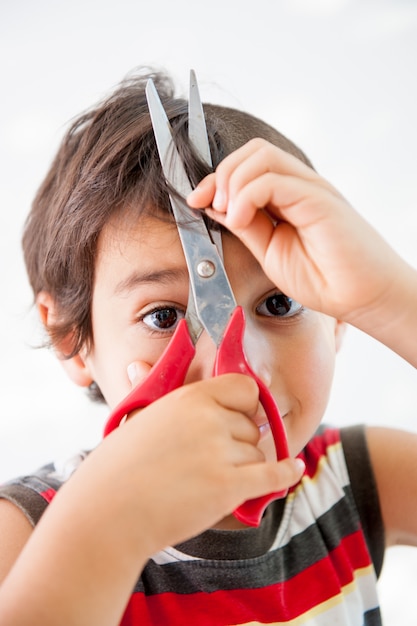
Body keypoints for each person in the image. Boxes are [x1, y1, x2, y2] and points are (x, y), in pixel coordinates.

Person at [0, 68, 416, 626]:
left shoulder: (357, 480)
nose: (240, 373)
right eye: (165, 316)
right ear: (72, 339)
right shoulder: (26, 535)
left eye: (280, 303)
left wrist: (391, 300)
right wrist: (110, 525)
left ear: (338, 319)